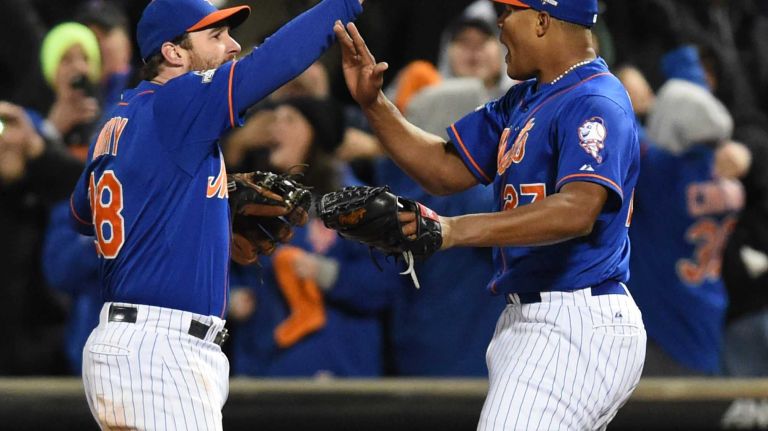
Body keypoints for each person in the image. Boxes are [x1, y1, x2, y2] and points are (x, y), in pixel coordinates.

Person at [333, 0, 646, 428]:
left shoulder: (594, 99)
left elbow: (578, 210)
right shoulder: (526, 98)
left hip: (575, 317)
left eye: (509, 11)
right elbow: (445, 169)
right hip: (536, 317)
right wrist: (375, 105)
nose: (500, 23)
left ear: (541, 21)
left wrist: (451, 229)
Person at [68, 0, 364, 429]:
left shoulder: (118, 120)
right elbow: (272, 61)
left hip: (136, 345)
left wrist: (193, 208)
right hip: (161, 352)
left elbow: (83, 213)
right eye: (216, 35)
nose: (233, 45)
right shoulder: (178, 103)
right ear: (174, 52)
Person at [228, 97, 397, 376]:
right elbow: (229, 265)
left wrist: (326, 273)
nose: (274, 128)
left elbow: (385, 284)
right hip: (266, 371)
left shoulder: (361, 202)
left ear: (317, 134)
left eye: (289, 120)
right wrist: (231, 296)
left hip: (337, 373)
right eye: (273, 119)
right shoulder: (255, 201)